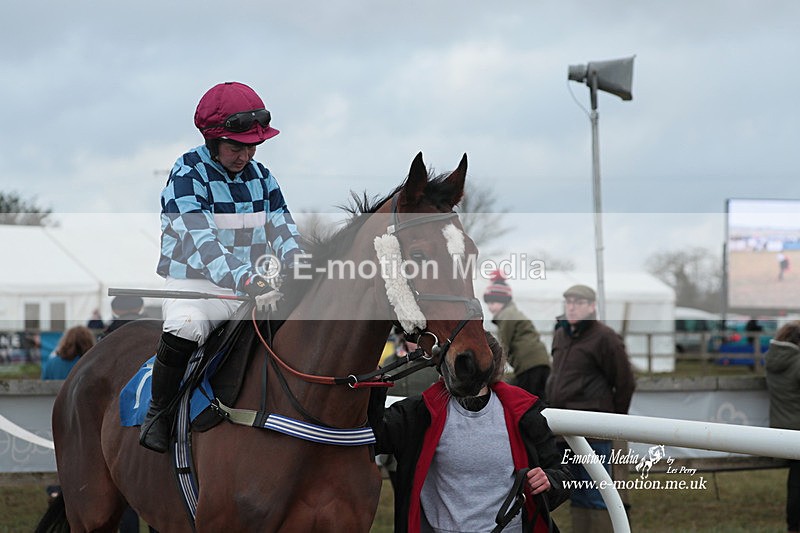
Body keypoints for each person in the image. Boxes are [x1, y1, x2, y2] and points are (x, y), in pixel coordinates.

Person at [140, 81, 304, 453]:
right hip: (197, 287)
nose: (245, 155)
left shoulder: (263, 177)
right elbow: (202, 246)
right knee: (186, 328)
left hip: (255, 286)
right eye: (236, 146)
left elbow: (285, 232)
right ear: (212, 139)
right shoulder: (187, 172)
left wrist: (301, 271)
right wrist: (247, 278)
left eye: (252, 146)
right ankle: (159, 412)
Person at [369, 331, 571, 533]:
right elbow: (374, 438)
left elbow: (562, 476)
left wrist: (548, 481)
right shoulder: (420, 412)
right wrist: (373, 389)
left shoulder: (524, 412)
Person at [545, 284, 636, 533]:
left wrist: (612, 423)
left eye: (579, 302)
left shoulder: (605, 337)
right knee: (575, 493)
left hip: (594, 433)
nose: (572, 306)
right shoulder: (561, 334)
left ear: (592, 306)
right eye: (569, 301)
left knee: (596, 494)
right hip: (564, 430)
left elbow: (625, 381)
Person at [483, 270, 551, 400]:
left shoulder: (507, 316)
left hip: (528, 364)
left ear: (504, 301)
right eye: (489, 303)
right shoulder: (512, 313)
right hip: (540, 360)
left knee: (527, 399)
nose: (490, 307)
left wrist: (494, 371)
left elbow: (503, 345)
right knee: (541, 398)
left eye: (494, 302)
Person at [765, 321, 800, 533]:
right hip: (797, 431)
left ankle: (793, 525)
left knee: (796, 482)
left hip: (780, 430)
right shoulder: (797, 363)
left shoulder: (772, 360)